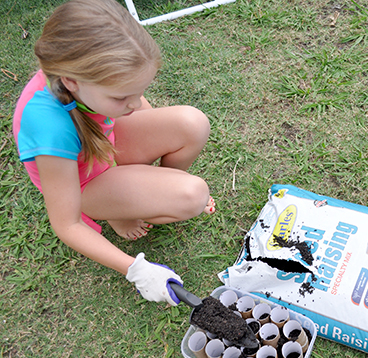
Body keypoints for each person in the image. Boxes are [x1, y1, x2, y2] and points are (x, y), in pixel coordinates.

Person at [12, 0, 215, 306]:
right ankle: (115, 208)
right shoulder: (49, 128)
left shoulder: (83, 79)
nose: (135, 104)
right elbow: (66, 224)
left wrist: (152, 180)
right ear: (72, 82)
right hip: (83, 186)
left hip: (104, 148)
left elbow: (136, 111)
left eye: (139, 91)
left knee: (193, 124)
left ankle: (134, 198)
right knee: (192, 195)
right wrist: (136, 269)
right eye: (122, 97)